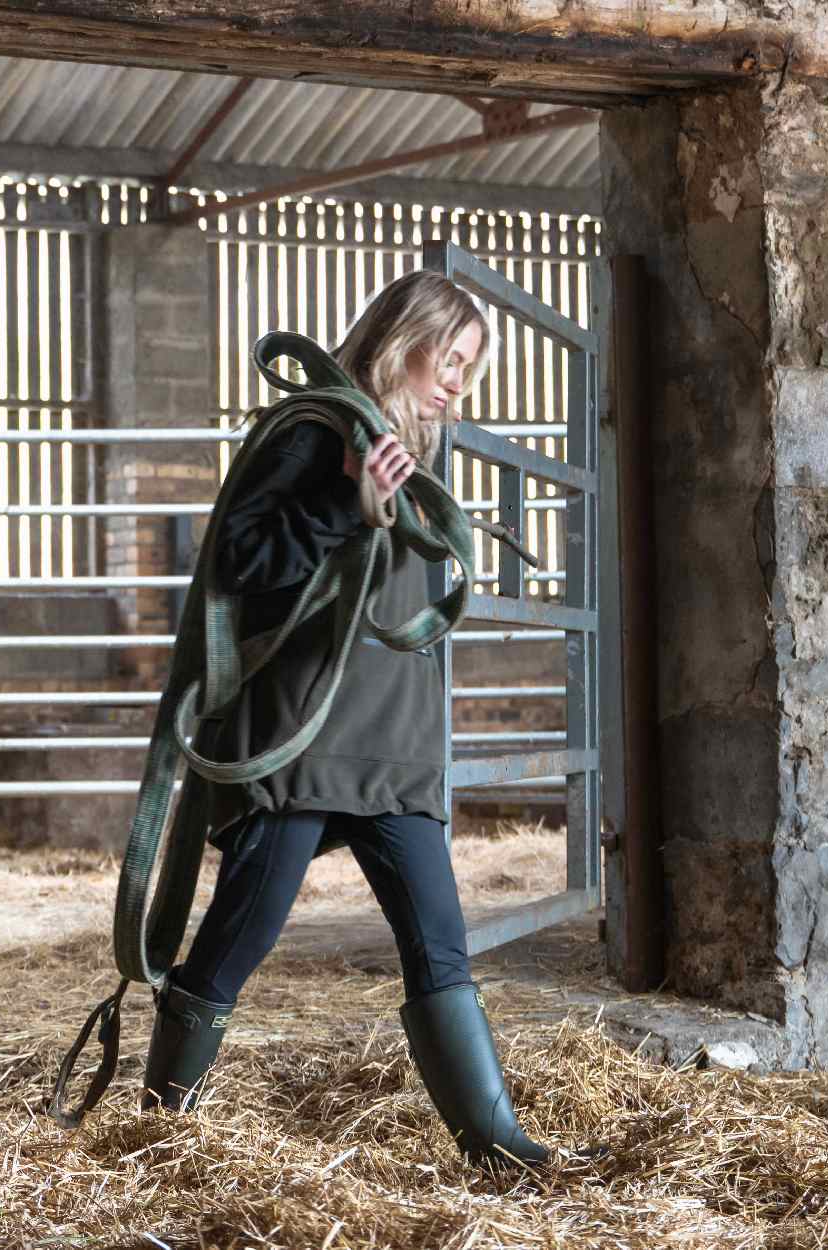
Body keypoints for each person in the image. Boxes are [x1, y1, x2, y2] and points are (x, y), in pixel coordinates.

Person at [140, 269, 550, 1169]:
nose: (457, 382)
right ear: (403, 340)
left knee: (439, 940)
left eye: (470, 366)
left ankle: (496, 1144)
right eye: (450, 358)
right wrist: (343, 505)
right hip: (305, 735)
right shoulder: (314, 429)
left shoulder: (416, 453)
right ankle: (159, 1126)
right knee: (237, 940)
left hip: (396, 743)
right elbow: (239, 559)